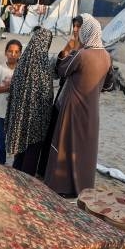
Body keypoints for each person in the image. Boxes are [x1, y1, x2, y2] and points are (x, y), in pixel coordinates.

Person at [44, 14, 110, 198]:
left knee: (65, 145)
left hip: (73, 107)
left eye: (80, 29)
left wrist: (69, 49)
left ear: (86, 31)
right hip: (92, 110)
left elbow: (61, 69)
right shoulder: (106, 56)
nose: (76, 32)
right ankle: (83, 186)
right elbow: (108, 85)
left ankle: (60, 185)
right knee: (85, 148)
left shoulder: (82, 55)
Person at [6, 28, 55, 177]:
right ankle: (26, 181)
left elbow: (14, 89)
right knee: (32, 153)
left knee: (20, 151)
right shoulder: (43, 65)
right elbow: (47, 95)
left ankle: (16, 174)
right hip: (36, 121)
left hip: (20, 118)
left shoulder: (22, 62)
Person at [0, 39, 22, 164]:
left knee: (16, 141)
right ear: (5, 53)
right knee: (1, 141)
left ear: (20, 54)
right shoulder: (0, 69)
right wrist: (9, 88)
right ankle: (1, 164)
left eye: (16, 52)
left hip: (16, 113)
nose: (13, 54)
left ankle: (16, 166)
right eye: (10, 51)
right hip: (1, 112)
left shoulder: (22, 69)